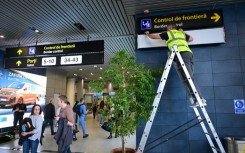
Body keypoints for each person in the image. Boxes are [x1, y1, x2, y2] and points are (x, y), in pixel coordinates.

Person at [145, 23, 206, 107]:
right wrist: (183, 32)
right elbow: (191, 39)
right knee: (188, 78)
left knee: (188, 78)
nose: (166, 29)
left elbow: (153, 37)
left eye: (167, 28)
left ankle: (200, 99)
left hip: (181, 55)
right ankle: (197, 99)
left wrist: (148, 33)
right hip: (189, 54)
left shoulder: (168, 33)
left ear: (170, 28)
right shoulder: (181, 33)